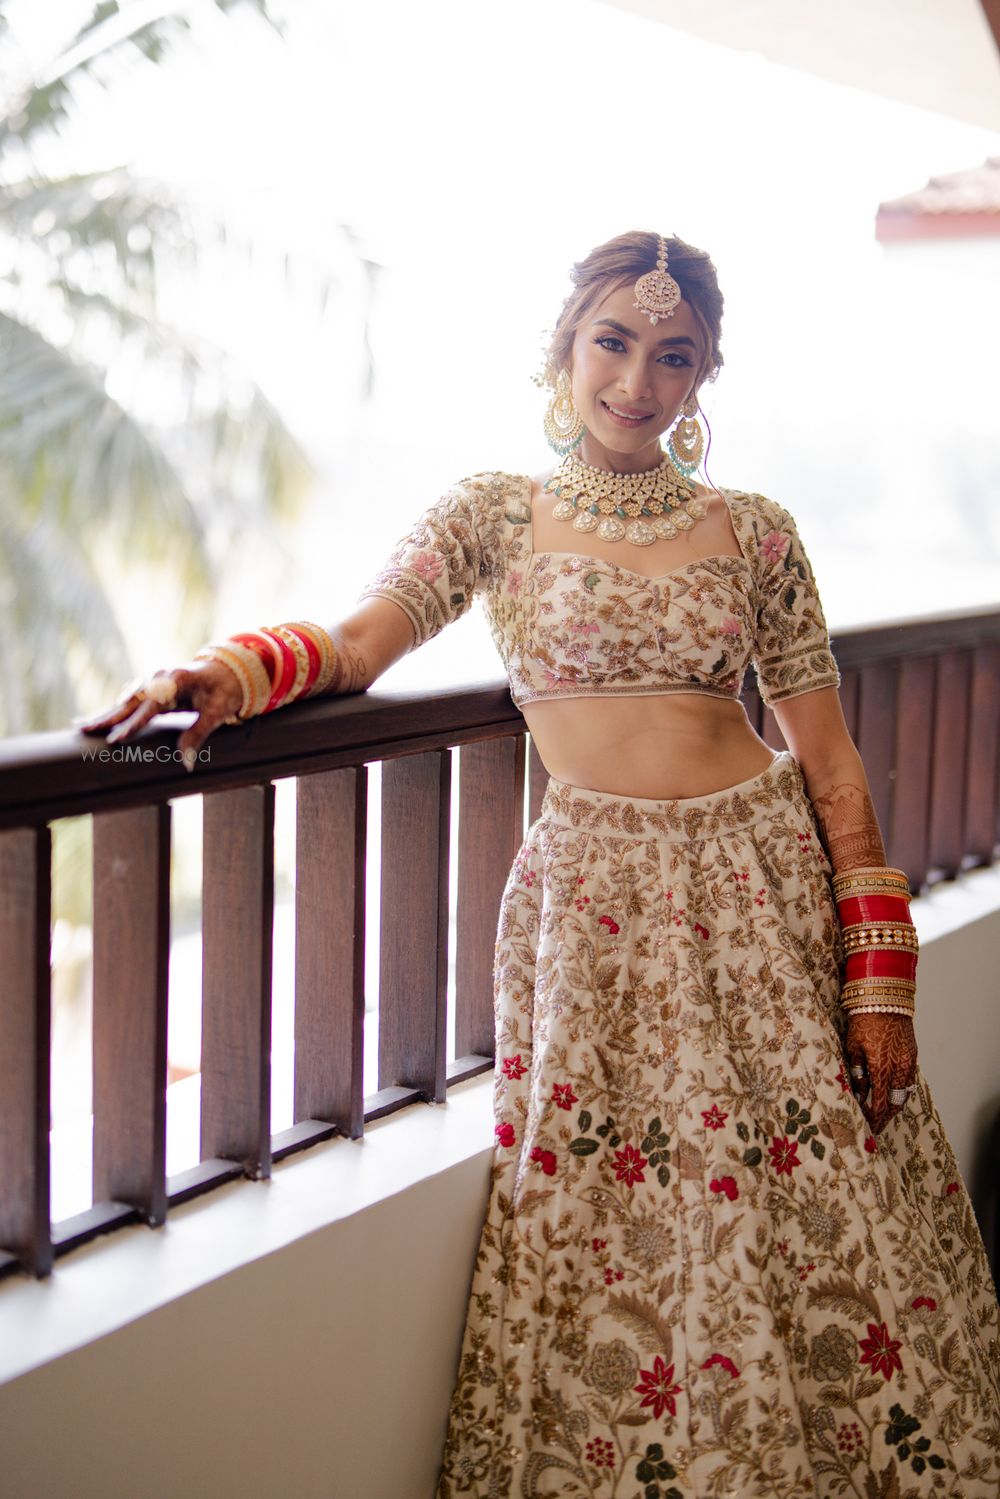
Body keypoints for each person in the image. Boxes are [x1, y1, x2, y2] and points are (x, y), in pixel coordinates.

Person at [81, 231, 999, 1497]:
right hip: (599, 914)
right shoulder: (495, 514)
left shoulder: (758, 534)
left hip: (760, 890)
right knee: (613, 1222)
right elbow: (357, 641)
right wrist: (228, 674)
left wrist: (878, 979)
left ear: (703, 376)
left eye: (672, 356)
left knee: (821, 1198)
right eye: (611, 343)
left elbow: (833, 768)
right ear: (563, 349)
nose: (636, 380)